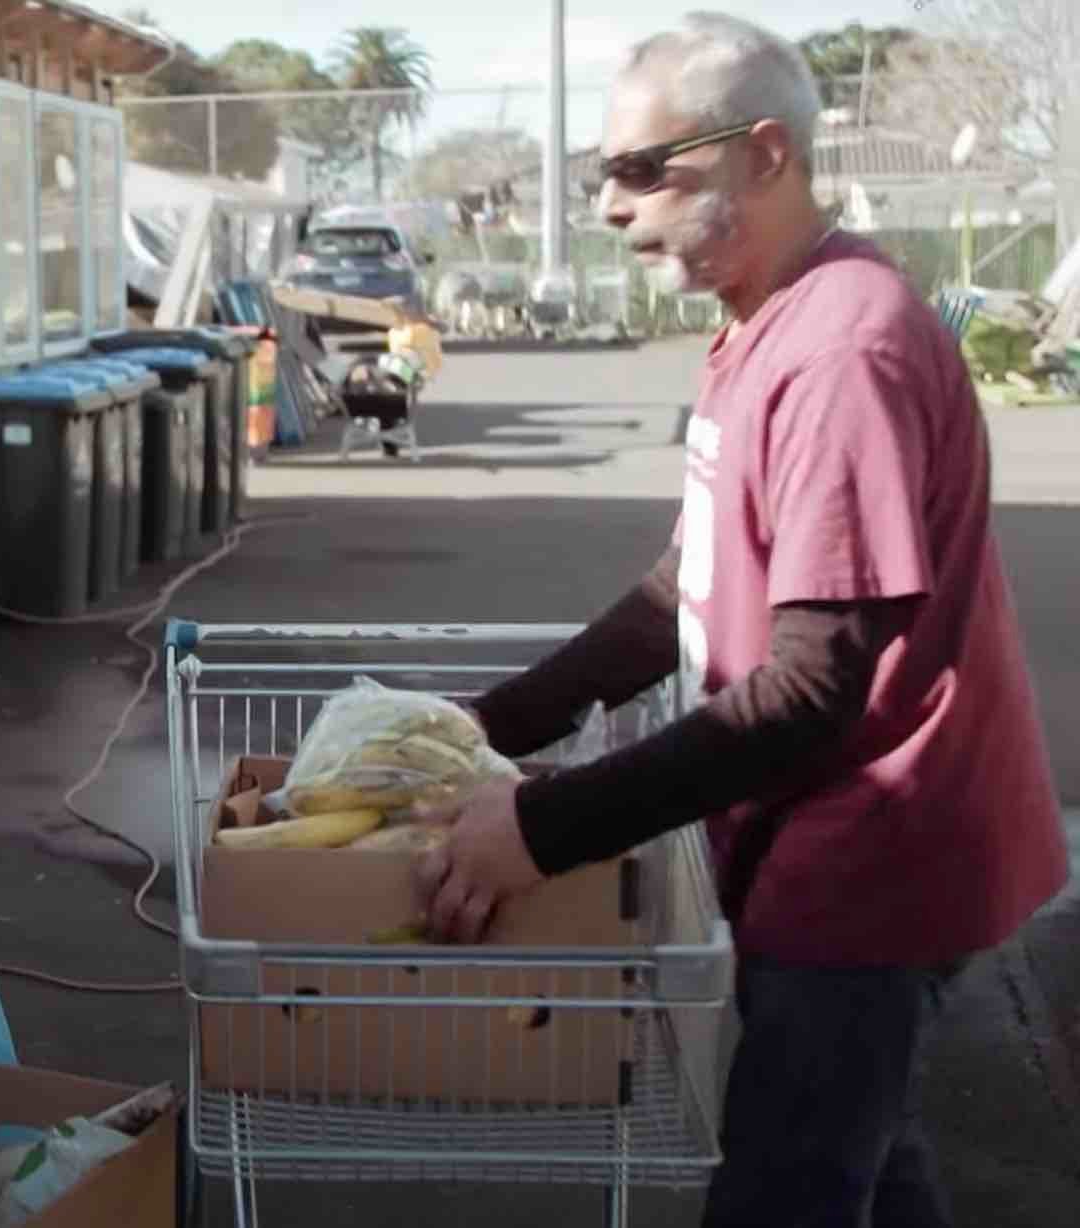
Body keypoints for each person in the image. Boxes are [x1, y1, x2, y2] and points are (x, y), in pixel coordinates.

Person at [412, 14, 1068, 1227]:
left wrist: (542, 827)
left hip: (875, 867)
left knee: (788, 1184)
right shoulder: (760, 323)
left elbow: (817, 685)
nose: (609, 205)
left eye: (639, 168)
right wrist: (488, 727)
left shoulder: (841, 351)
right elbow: (685, 587)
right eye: (598, 173)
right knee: (865, 1158)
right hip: (816, 848)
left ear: (765, 152)